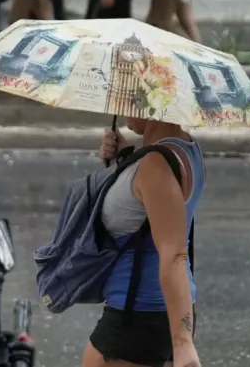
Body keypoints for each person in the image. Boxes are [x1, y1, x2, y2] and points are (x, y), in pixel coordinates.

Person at [87, 119, 205, 367]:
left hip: (136, 316)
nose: (128, 103)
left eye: (133, 94)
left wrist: (182, 343)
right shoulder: (186, 147)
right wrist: (126, 157)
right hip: (157, 311)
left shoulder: (156, 164)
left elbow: (174, 253)